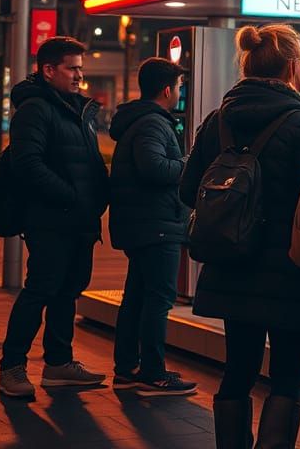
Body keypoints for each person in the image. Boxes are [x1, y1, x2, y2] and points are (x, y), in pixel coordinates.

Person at [181, 24, 300, 449]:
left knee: (238, 369)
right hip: (292, 273)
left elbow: (187, 189)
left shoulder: (218, 120)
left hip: (232, 264)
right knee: (288, 378)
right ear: (290, 67)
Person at [0, 37, 110, 399]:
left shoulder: (78, 110)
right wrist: (73, 196)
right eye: (72, 68)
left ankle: (59, 364)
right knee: (40, 291)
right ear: (48, 70)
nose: (79, 75)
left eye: (80, 67)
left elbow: (86, 163)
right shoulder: (36, 109)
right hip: (50, 220)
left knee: (68, 292)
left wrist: (98, 197)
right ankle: (12, 367)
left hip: (79, 221)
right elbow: (27, 164)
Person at [109, 56, 196, 396]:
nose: (179, 93)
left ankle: (128, 367)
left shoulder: (141, 120)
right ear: (166, 90)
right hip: (156, 224)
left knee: (137, 297)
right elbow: (155, 168)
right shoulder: (152, 124)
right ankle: (153, 372)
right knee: (159, 299)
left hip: (143, 223)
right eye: (178, 87)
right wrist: (188, 163)